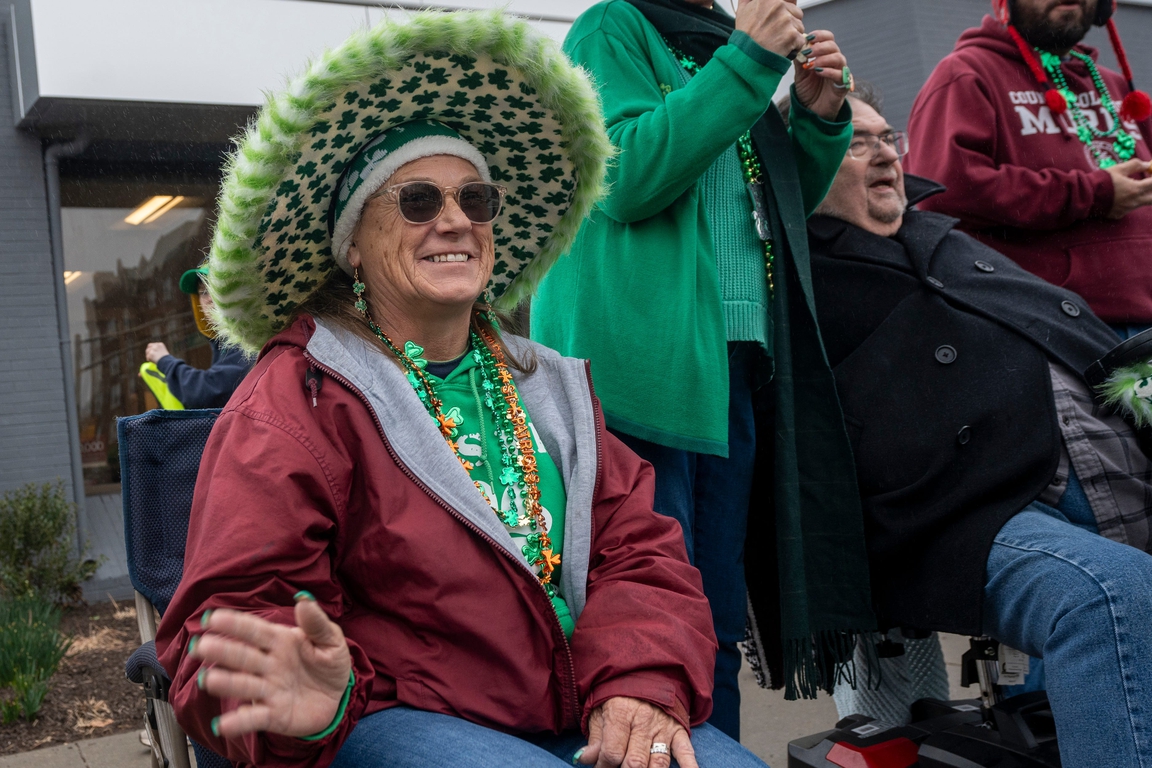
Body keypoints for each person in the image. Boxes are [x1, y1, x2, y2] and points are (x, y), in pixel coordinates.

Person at [154, 12, 768, 768]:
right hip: (392, 716)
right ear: (352, 244)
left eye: (475, 200)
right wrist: (315, 705)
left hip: (580, 701)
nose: (454, 221)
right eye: (418, 201)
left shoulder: (548, 383)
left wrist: (638, 680)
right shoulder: (294, 401)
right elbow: (229, 629)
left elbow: (640, 554)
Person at [530, 0, 876, 736]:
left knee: (715, 612)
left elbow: (776, 208)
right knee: (651, 608)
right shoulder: (611, 27)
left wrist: (815, 118)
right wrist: (750, 62)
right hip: (636, 373)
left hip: (731, 368)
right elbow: (626, 179)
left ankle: (716, 750)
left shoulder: (727, 44)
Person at [803, 83, 1152, 766]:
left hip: (1114, 465)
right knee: (1108, 597)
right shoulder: (801, 284)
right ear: (809, 159)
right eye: (856, 140)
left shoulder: (952, 245)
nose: (884, 153)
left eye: (887, 138)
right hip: (972, 512)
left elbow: (1096, 351)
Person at [906, 0, 1152, 338]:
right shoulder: (965, 74)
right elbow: (946, 190)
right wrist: (1095, 193)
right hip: (1049, 331)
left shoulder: (1116, 85)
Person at [143, 265, 253, 409]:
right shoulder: (224, 345)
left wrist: (165, 362)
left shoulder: (250, 341)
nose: (208, 298)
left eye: (216, 287)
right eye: (203, 292)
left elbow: (208, 393)